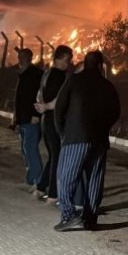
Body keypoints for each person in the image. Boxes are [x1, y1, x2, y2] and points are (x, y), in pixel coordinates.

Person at [53, 51, 120, 231]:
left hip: (75, 138)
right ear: (100, 65)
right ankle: (90, 218)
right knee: (94, 179)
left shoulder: (74, 81)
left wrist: (62, 133)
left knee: (66, 176)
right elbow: (116, 112)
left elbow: (59, 108)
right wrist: (103, 127)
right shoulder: (107, 85)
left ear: (85, 63)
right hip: (99, 139)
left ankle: (69, 216)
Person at [34, 46, 73, 203]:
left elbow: (39, 94)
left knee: (53, 155)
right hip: (54, 119)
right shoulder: (60, 76)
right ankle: (53, 194)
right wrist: (48, 106)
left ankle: (41, 187)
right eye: (66, 60)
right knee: (57, 156)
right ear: (58, 59)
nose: (68, 63)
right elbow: (61, 98)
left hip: (46, 120)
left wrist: (42, 106)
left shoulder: (47, 73)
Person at [11, 48, 44, 188]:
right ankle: (31, 178)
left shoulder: (35, 75)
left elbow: (39, 96)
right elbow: (19, 99)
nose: (20, 60)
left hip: (31, 119)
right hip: (24, 118)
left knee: (30, 148)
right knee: (26, 149)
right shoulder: (24, 75)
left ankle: (37, 180)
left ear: (28, 58)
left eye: (22, 57)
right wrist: (16, 120)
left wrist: (36, 115)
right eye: (20, 57)